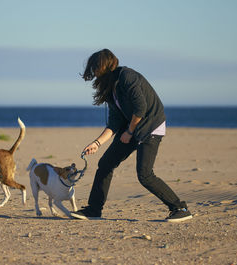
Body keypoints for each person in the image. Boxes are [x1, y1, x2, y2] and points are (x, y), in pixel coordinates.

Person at [71, 49, 192, 222]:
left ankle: (180, 208)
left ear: (105, 65)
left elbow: (140, 108)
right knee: (105, 164)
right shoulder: (110, 88)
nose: (94, 73)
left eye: (96, 68)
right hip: (131, 129)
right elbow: (113, 124)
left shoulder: (127, 77)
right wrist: (96, 143)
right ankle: (94, 210)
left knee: (145, 174)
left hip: (150, 126)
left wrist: (129, 132)